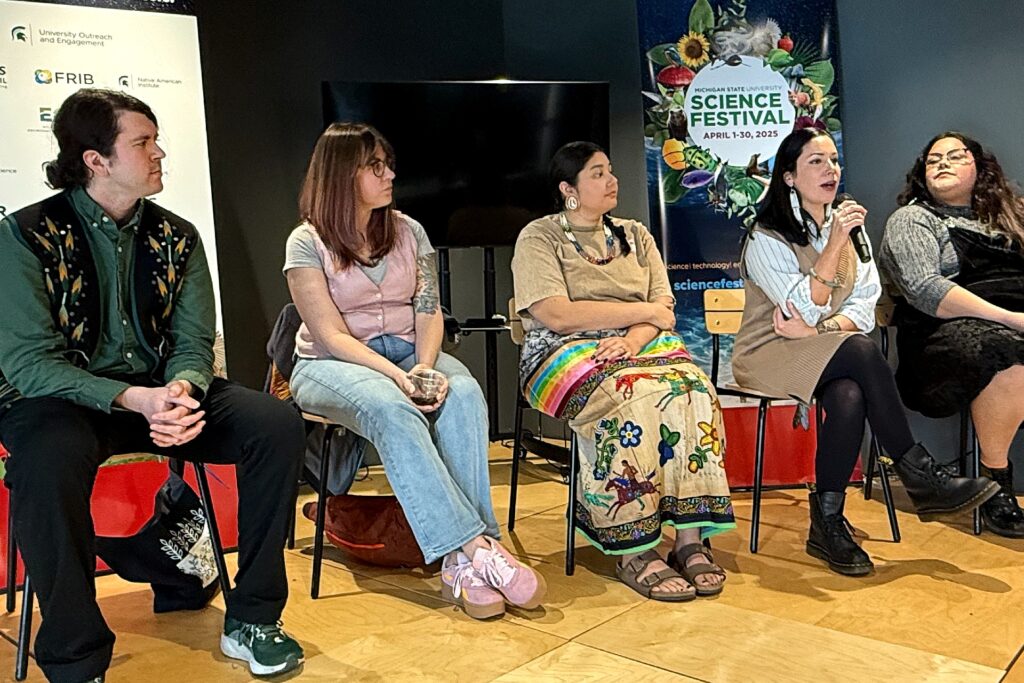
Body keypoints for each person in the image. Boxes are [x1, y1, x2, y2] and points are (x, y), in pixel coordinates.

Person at [0, 89, 305, 681]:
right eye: (142, 142)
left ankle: (253, 617)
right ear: (96, 159)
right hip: (59, 401)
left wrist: (182, 392)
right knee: (44, 462)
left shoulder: (179, 236)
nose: (160, 151)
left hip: (161, 394)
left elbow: (193, 344)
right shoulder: (24, 235)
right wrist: (133, 399)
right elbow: (29, 364)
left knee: (273, 423)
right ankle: (74, 654)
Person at [283, 122, 545, 621]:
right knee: (392, 406)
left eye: (388, 164)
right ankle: (477, 546)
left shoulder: (408, 229)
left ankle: (461, 563)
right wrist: (399, 379)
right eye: (375, 167)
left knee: (463, 393)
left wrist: (424, 366)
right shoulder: (306, 241)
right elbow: (332, 335)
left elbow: (429, 308)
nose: (390, 174)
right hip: (330, 363)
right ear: (342, 175)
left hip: (409, 350)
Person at [732, 127, 998, 575]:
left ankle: (828, 521)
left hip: (824, 347)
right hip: (768, 352)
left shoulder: (851, 229)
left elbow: (864, 302)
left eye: (833, 160)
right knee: (857, 350)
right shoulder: (767, 236)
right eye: (815, 161)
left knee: (849, 394)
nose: (830, 170)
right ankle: (917, 472)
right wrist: (833, 246)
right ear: (789, 177)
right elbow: (796, 307)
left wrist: (822, 326)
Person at [511, 141, 735, 602]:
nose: (612, 180)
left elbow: (665, 309)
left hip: (642, 343)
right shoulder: (540, 236)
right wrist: (635, 311)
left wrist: (633, 337)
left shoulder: (635, 234)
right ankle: (632, 546)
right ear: (568, 189)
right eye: (597, 174)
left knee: (694, 391)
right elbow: (555, 314)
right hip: (560, 351)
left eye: (610, 170)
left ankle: (690, 537)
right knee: (632, 396)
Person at [880, 131, 1024, 538]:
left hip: (1012, 325)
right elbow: (926, 290)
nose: (941, 163)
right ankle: (997, 483)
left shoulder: (1011, 218)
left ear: (980, 169)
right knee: (1007, 351)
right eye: (932, 159)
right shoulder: (913, 219)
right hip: (941, 339)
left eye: (955, 156)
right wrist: (1013, 319)